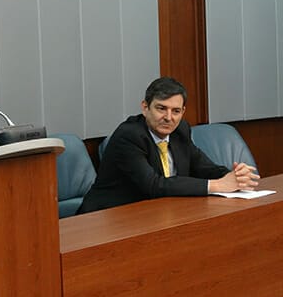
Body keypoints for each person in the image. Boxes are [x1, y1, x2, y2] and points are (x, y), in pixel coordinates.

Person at [77, 76, 259, 214]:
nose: (168, 117)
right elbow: (154, 185)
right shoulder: (129, 136)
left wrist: (234, 177)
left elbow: (203, 167)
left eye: (176, 111)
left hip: (154, 214)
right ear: (145, 107)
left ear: (183, 112)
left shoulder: (180, 131)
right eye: (161, 108)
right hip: (107, 218)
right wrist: (218, 185)